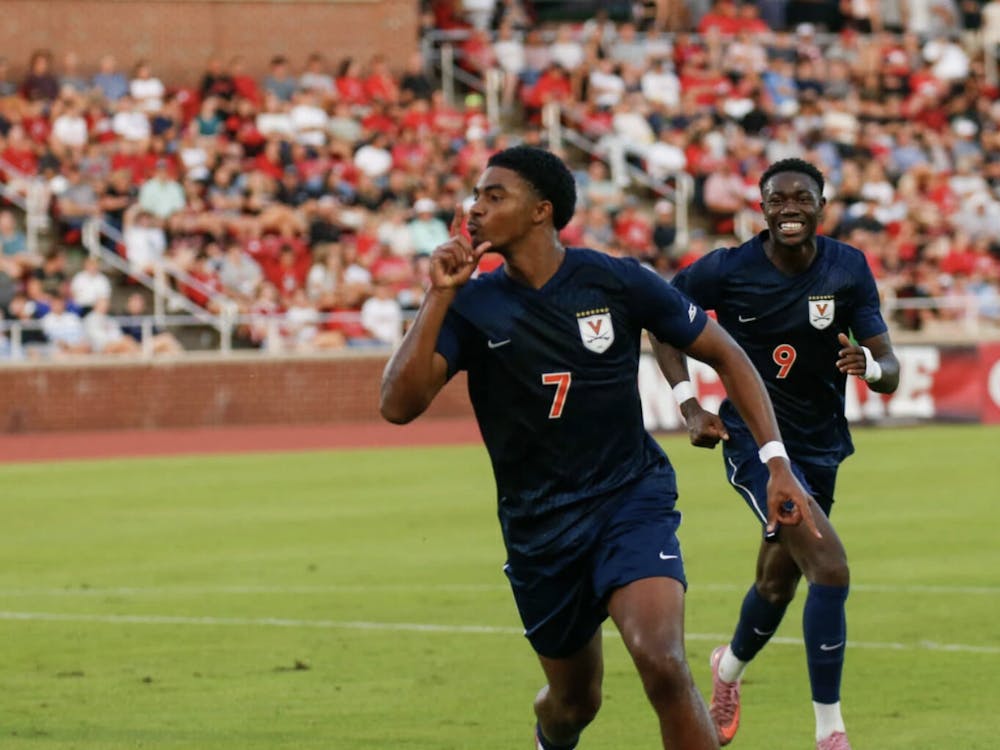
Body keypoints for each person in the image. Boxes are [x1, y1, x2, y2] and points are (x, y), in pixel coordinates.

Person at [379, 146, 819, 750]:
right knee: (572, 703)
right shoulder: (473, 304)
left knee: (662, 662)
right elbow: (397, 406)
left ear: (541, 210)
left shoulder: (617, 279)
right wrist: (439, 295)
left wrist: (776, 464)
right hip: (538, 528)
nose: (473, 208)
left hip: (628, 501)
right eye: (475, 196)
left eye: (492, 195)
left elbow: (727, 354)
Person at [650, 158, 901, 750]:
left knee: (776, 585)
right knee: (831, 569)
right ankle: (829, 732)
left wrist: (869, 365)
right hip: (755, 450)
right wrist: (689, 404)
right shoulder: (727, 270)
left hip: (823, 446)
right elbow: (660, 320)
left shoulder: (847, 268)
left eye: (801, 198)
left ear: (821, 204)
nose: (789, 208)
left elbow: (890, 368)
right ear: (760, 207)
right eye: (776, 199)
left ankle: (726, 670)